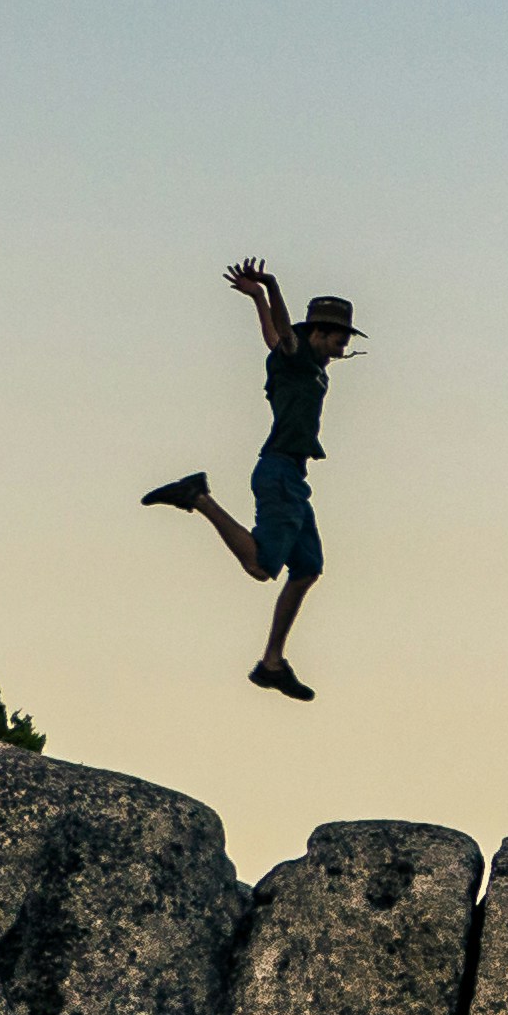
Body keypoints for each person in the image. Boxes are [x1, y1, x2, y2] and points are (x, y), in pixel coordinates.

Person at [141, 259, 362, 701]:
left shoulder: (310, 367)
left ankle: (272, 663)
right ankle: (198, 497)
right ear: (315, 332)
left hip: (293, 478)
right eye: (339, 337)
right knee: (262, 566)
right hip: (277, 471)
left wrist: (258, 298)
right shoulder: (297, 356)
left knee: (307, 569)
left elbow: (273, 337)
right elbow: (281, 336)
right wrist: (273, 289)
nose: (343, 347)